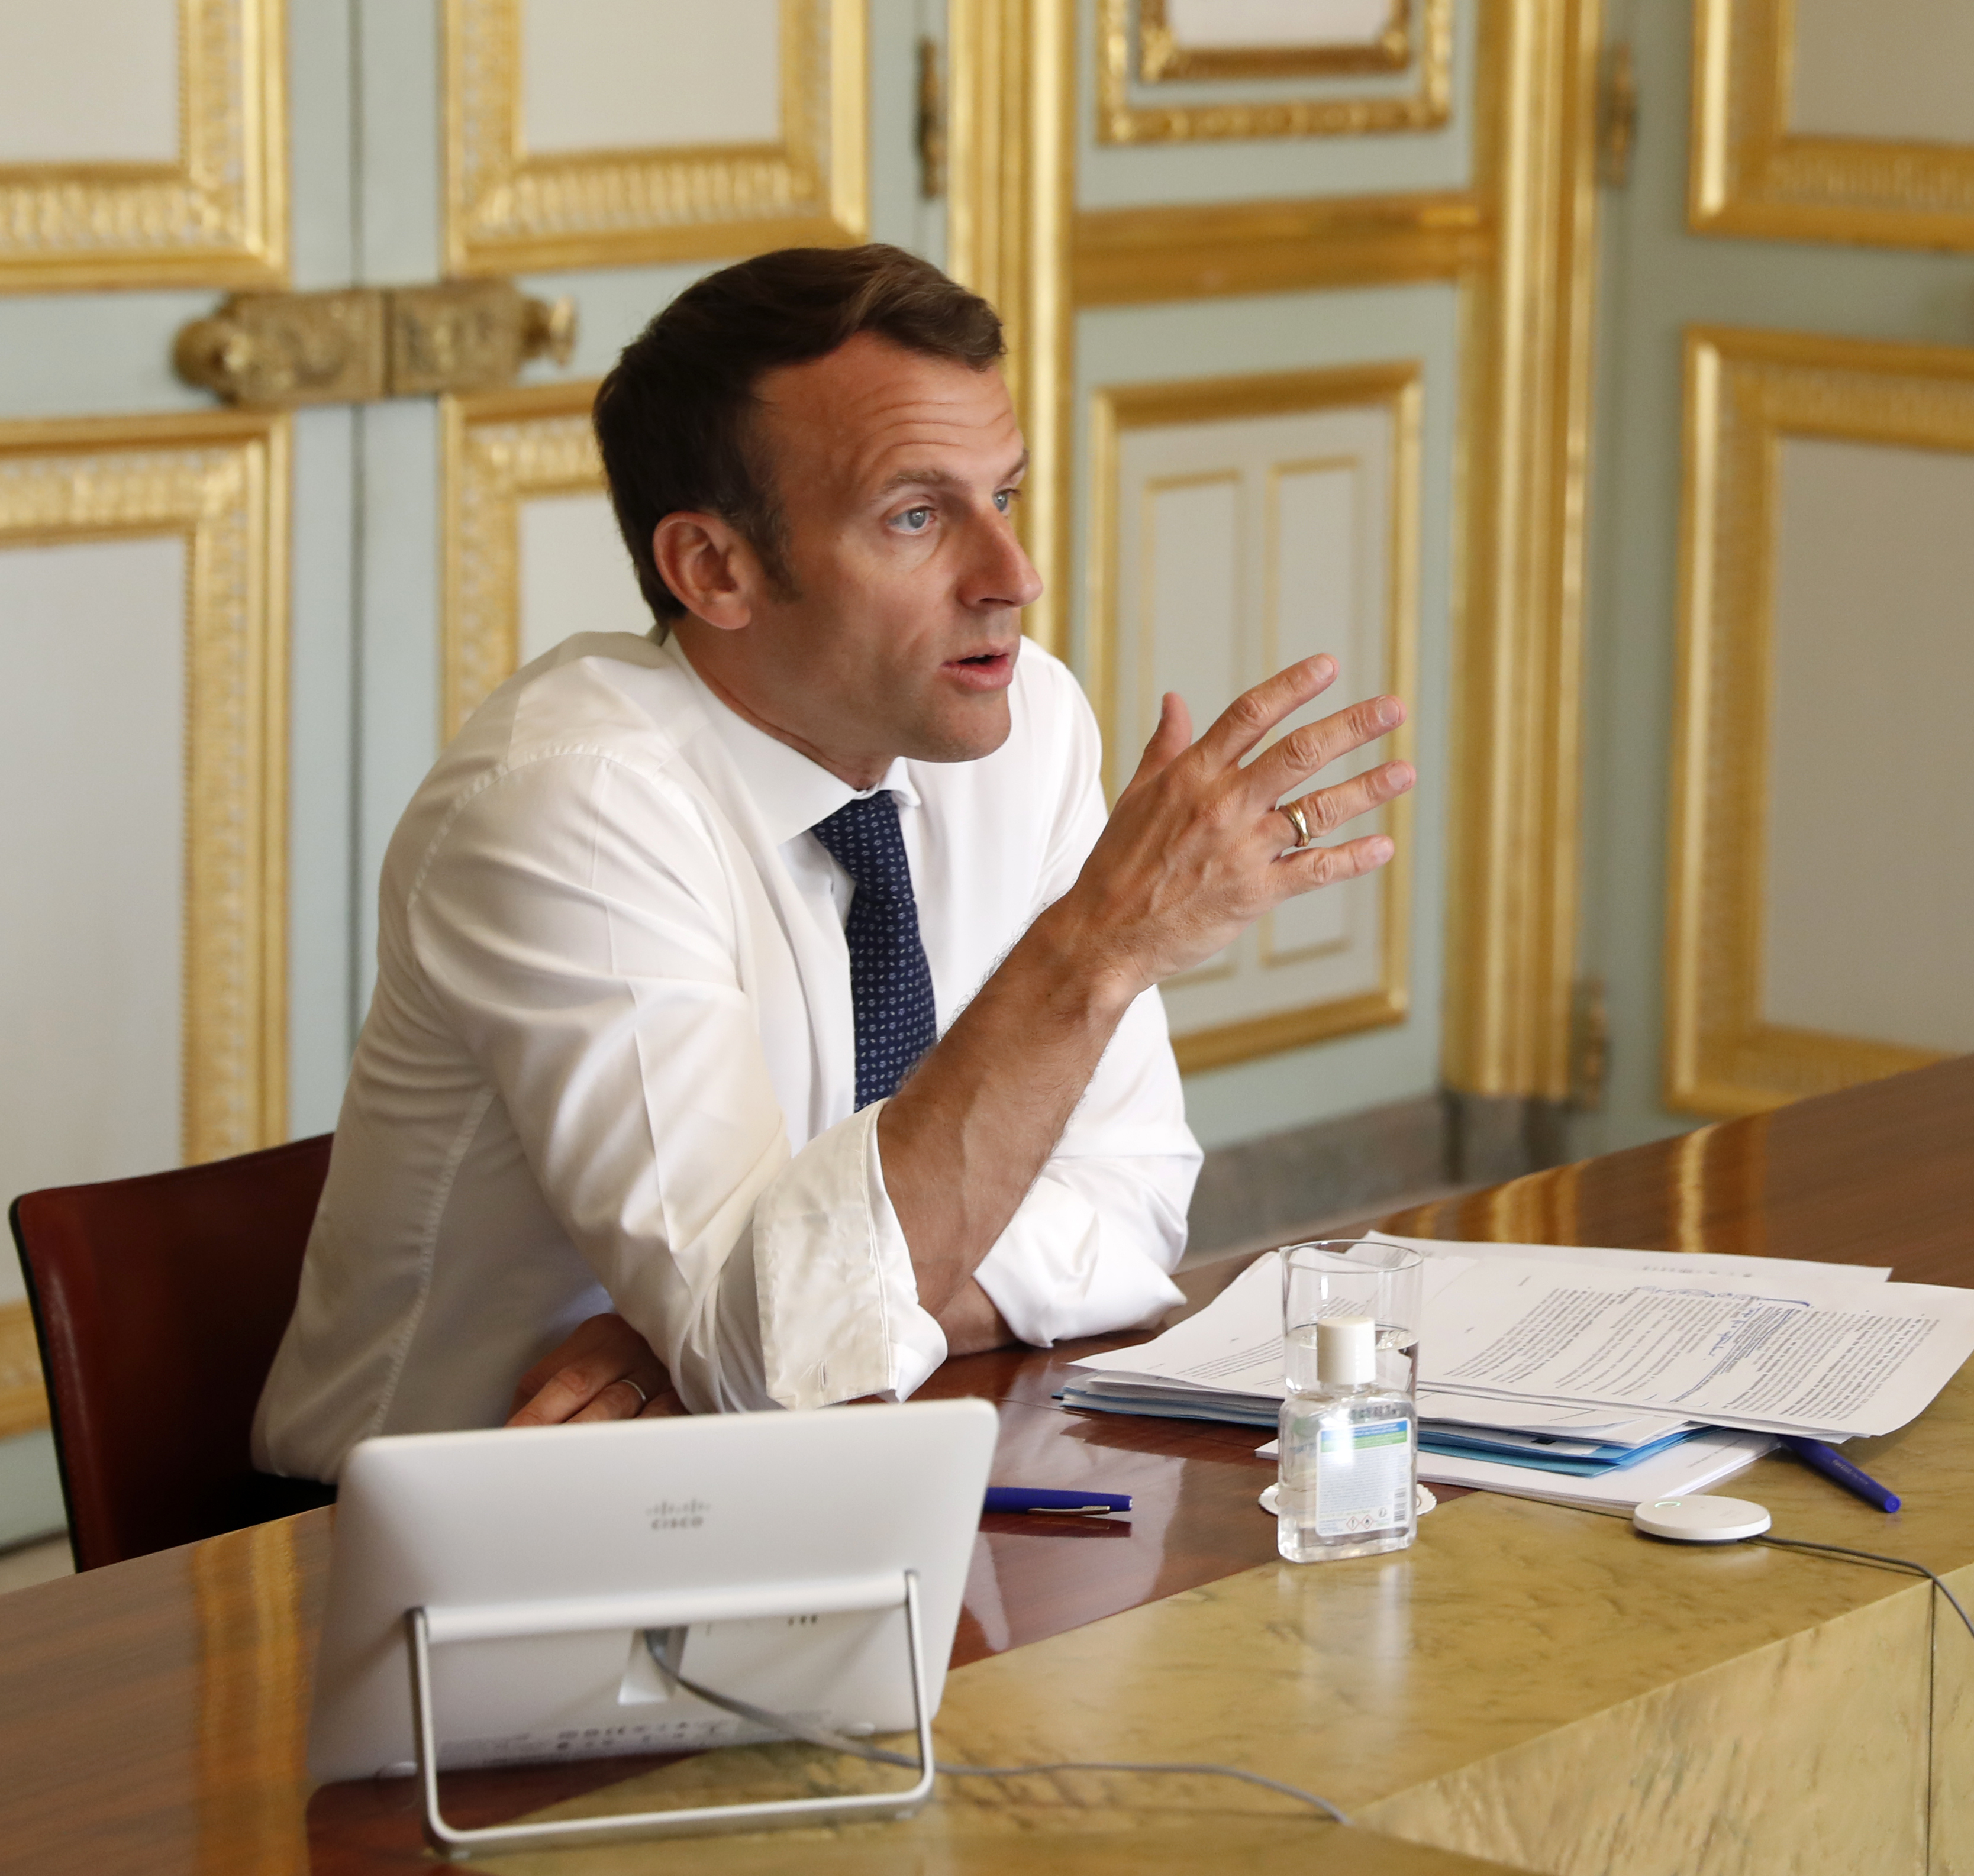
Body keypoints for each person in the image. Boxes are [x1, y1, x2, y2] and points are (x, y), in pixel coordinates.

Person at [251, 244, 1408, 1481]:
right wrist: (1098, 947)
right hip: (426, 1536)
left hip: (812, 1471)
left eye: (1005, 497)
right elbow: (779, 1360)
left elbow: (1131, 1206)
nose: (1012, 578)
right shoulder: (570, 806)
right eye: (916, 516)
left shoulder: (1023, 722)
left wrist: (761, 1335)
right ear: (715, 569)